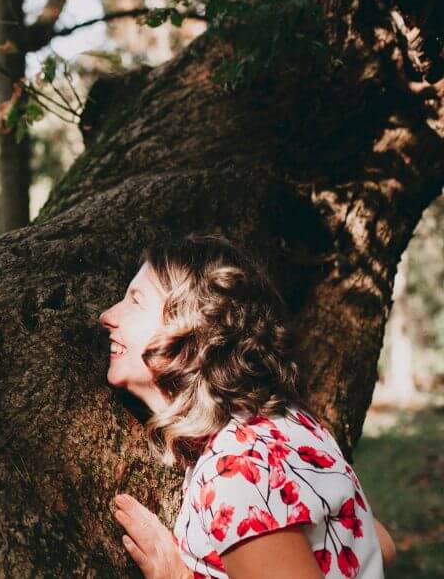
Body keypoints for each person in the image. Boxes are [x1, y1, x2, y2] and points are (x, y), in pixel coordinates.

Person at [100, 235, 397, 579]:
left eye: (135, 301)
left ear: (193, 332)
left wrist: (176, 576)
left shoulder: (236, 470)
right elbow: (382, 546)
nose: (108, 315)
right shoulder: (288, 421)